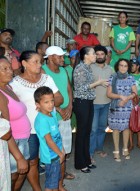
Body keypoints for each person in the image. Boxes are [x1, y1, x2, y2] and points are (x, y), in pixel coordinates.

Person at [10, 51, 63, 191]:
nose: (39, 65)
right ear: (24, 64)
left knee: (54, 157)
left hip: (49, 127)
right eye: (35, 61)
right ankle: (37, 188)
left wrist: (46, 105)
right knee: (32, 161)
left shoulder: (47, 79)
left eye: (40, 61)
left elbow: (59, 98)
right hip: (29, 131)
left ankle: (56, 185)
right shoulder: (14, 83)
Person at [73, 46, 108, 172]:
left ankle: (87, 160)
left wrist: (98, 83)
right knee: (82, 134)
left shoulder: (87, 67)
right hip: (82, 102)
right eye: (93, 53)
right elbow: (80, 88)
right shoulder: (80, 68)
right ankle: (80, 163)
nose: (96, 56)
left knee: (87, 133)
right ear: (86, 56)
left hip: (88, 102)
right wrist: (97, 83)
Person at [42, 46, 74, 181]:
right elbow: (42, 96)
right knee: (53, 148)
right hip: (52, 116)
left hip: (65, 114)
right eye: (59, 56)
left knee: (64, 147)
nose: (63, 59)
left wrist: (70, 106)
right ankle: (54, 176)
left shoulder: (64, 70)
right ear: (49, 58)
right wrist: (59, 109)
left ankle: (62, 173)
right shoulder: (43, 71)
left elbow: (68, 89)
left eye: (63, 56)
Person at [0, 56, 29, 191]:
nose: (10, 71)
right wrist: (18, 157)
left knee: (20, 174)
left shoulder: (8, 87)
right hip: (13, 143)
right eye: (4, 69)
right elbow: (4, 130)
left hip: (22, 139)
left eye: (10, 68)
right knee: (12, 176)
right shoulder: (0, 95)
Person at [34, 86, 65, 191]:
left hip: (56, 152)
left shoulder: (52, 113)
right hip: (51, 156)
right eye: (46, 102)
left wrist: (62, 149)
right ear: (38, 105)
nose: (51, 104)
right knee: (53, 184)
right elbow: (49, 141)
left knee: (53, 180)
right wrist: (60, 154)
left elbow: (57, 134)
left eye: (52, 100)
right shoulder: (42, 120)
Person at [107, 59, 137, 162]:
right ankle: (116, 150)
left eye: (125, 66)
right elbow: (109, 94)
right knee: (115, 128)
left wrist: (126, 99)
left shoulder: (131, 78)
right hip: (115, 107)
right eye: (121, 65)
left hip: (127, 106)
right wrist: (120, 96)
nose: (123, 68)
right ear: (117, 66)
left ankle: (125, 148)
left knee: (126, 128)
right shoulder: (112, 77)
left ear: (128, 67)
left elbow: (134, 93)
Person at [89, 45, 113, 160]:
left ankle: (99, 149)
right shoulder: (90, 68)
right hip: (93, 103)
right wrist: (98, 83)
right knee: (93, 129)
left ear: (106, 55)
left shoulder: (110, 69)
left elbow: (114, 85)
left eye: (101, 54)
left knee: (102, 128)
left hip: (106, 103)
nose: (99, 56)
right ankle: (90, 153)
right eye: (97, 54)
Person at [129, 58, 140, 152]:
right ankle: (131, 144)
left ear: (138, 66)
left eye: (133, 65)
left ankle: (139, 143)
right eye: (130, 65)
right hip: (130, 103)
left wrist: (139, 97)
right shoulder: (128, 76)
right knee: (130, 123)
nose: (131, 67)